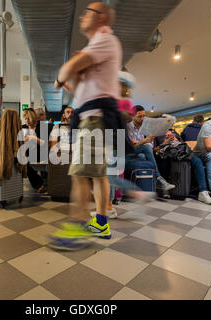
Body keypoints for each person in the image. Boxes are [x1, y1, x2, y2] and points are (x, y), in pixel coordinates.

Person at [49, 2, 128, 250]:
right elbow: (81, 94)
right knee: (97, 175)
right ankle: (101, 222)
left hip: (94, 119)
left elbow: (67, 68)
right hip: (94, 116)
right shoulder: (98, 46)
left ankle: (76, 229)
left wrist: (61, 77)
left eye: (88, 11)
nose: (83, 15)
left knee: (80, 175)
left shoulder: (105, 40)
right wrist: (72, 81)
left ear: (101, 17)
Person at [127, 105, 175, 193]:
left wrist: (163, 142)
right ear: (132, 116)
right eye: (139, 116)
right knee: (145, 148)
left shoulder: (145, 127)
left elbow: (151, 148)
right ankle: (158, 178)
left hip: (141, 152)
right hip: (128, 152)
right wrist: (143, 141)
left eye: (144, 116)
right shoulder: (127, 128)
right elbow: (129, 147)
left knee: (142, 155)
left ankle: (146, 187)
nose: (142, 119)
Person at [22, 108, 47, 193]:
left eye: (28, 118)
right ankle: (39, 183)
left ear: (33, 118)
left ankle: (39, 183)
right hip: (28, 153)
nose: (27, 121)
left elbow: (44, 144)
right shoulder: (24, 128)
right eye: (25, 118)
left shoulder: (42, 126)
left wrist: (33, 138)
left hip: (41, 152)